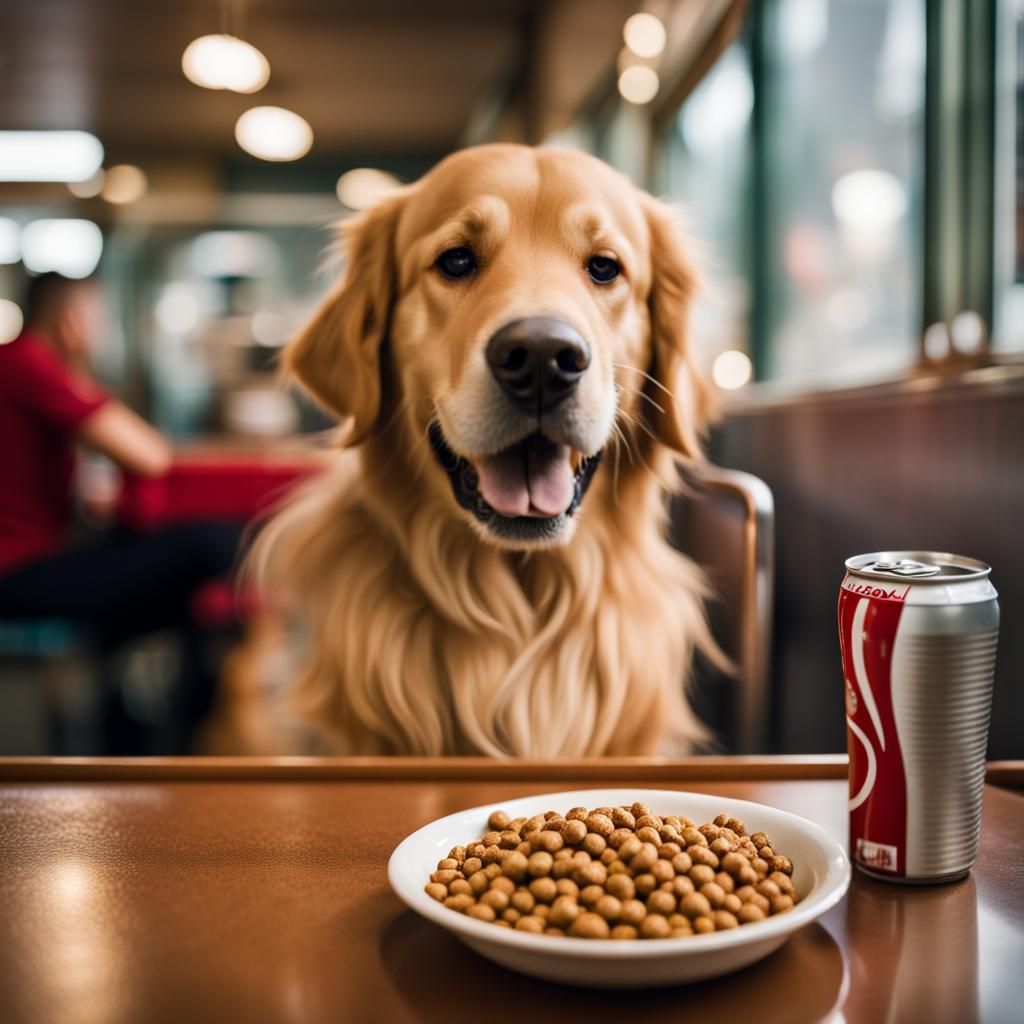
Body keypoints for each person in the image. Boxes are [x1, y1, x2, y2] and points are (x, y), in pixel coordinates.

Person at [0, 272, 242, 751]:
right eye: (97, 319)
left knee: (181, 596)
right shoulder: (28, 363)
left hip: (31, 566)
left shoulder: (16, 365)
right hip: (17, 576)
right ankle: (181, 736)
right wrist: (80, 374)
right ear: (72, 322)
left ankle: (142, 734)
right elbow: (149, 453)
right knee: (214, 543)